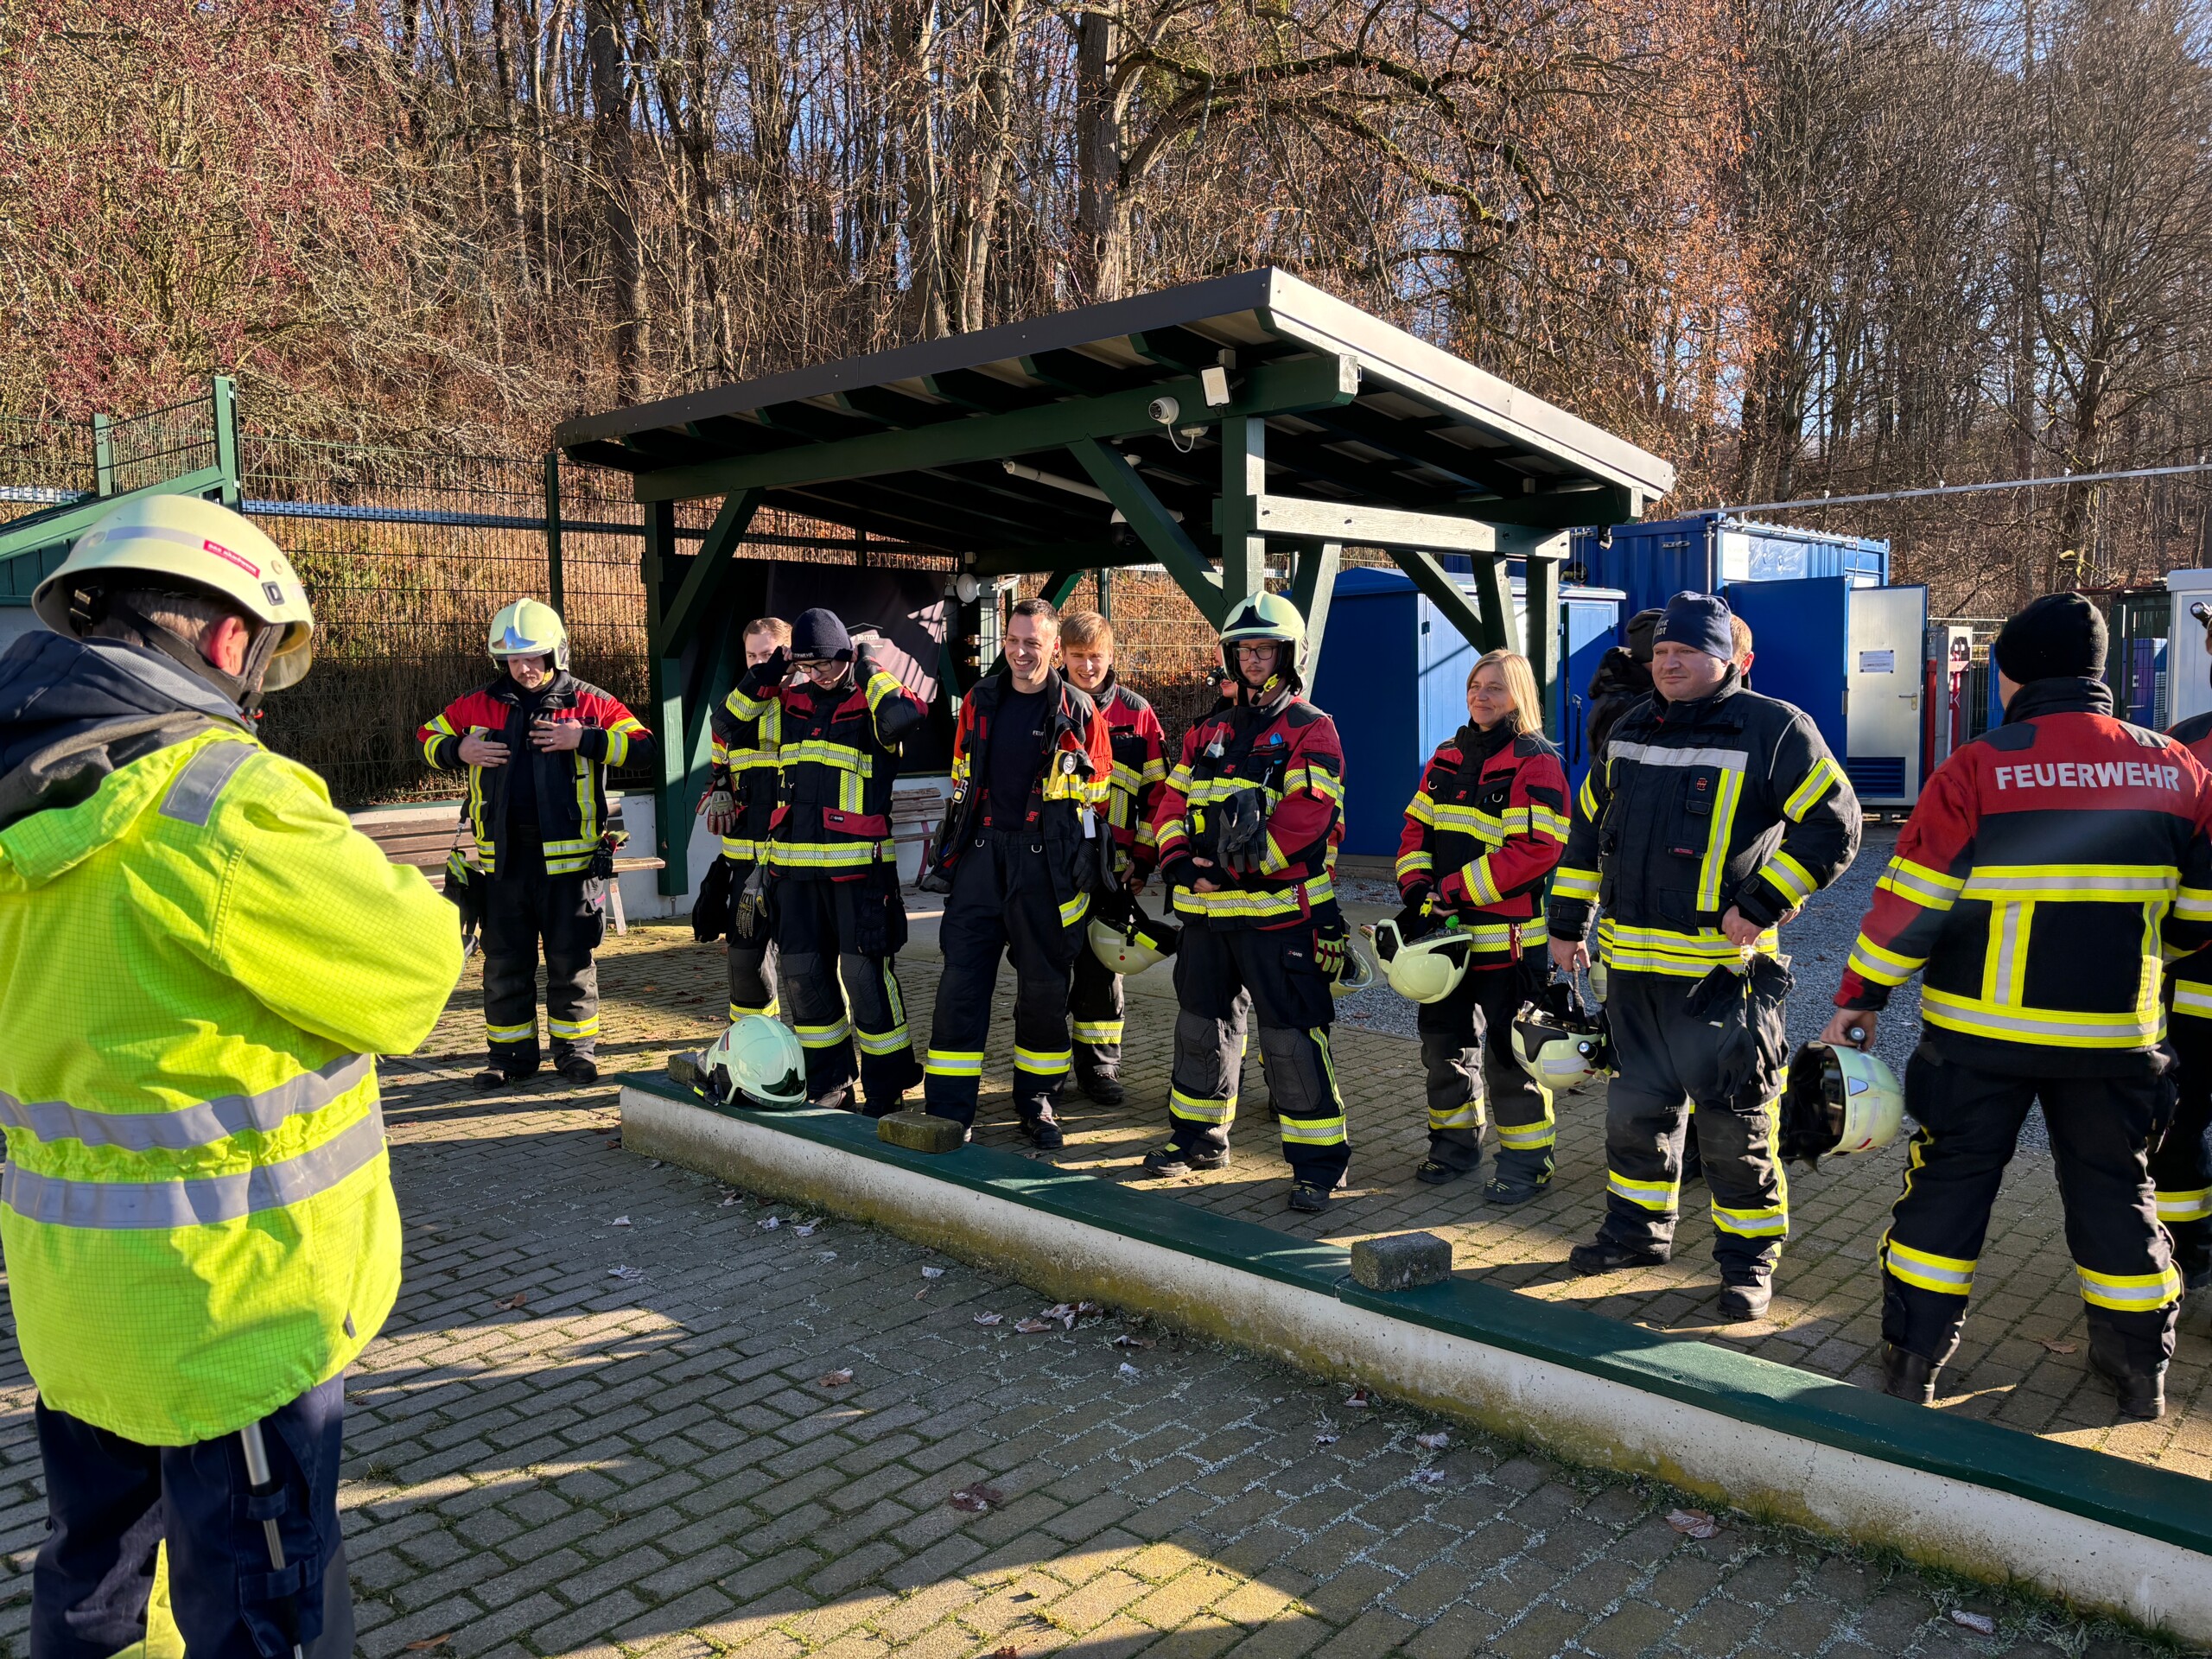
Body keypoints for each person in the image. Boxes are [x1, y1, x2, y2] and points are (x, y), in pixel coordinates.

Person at [1, 494, 462, 1656]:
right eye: (258, 659)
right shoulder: (221, 801)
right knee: (264, 1619)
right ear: (222, 638)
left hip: (76, 1319)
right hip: (238, 1324)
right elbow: (412, 974)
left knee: (92, 1596)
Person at [1824, 594, 2212, 1416]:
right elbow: (2202, 918)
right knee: (2117, 1191)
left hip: (1977, 1039)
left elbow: (1910, 907)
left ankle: (1914, 1361)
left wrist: (1861, 999)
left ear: (2009, 673)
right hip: (2117, 1040)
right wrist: (2147, 957)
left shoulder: (1977, 766)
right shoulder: (2177, 769)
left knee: (1950, 1189)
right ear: (2099, 671)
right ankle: (2139, 1372)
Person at [1549, 589, 1860, 1321]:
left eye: (1685, 652)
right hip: (1633, 975)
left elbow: (1835, 825)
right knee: (1636, 1115)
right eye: (1659, 653)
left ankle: (1747, 1266)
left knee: (1737, 1128)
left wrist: (1760, 904)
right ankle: (1634, 1235)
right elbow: (1587, 836)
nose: (1669, 663)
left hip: (1723, 985)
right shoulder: (1629, 727)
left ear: (1727, 659)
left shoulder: (1774, 729)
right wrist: (1566, 922)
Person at [1147, 592, 1352, 1212]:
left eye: (1264, 649)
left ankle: (1319, 1166)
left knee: (1290, 1041)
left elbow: (1307, 818)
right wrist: (1179, 861)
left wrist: (1235, 870)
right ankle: (1199, 1141)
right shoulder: (1207, 731)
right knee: (1200, 1032)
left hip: (1279, 919)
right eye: (1244, 649)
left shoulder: (1311, 728)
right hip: (1208, 918)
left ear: (1288, 656)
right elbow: (1171, 805)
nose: (1254, 658)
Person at [419, 600, 652, 1089]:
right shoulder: (477, 704)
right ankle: (509, 1059)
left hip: (573, 867)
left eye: (533, 658)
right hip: (503, 864)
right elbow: (425, 736)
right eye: (511, 660)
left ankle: (576, 1054)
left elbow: (645, 746)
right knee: (505, 965)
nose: (522, 668)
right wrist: (456, 748)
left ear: (557, 653)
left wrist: (585, 739)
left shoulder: (591, 703)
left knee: (572, 963)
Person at [921, 599, 1115, 1146]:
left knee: (1045, 991)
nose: (1021, 651)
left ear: (1055, 648)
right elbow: (962, 776)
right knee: (961, 983)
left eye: (1033, 642)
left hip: (1046, 867)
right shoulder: (979, 701)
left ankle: (1037, 1101)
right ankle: (949, 1107)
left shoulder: (1080, 711)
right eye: (1013, 640)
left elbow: (1097, 797)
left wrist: (1083, 861)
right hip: (982, 860)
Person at [724, 607, 926, 1113]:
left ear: (844, 656)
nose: (816, 676)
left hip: (860, 875)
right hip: (792, 873)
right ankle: (829, 1082)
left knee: (865, 979)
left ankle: (888, 1083)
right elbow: (729, 722)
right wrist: (764, 674)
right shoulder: (787, 702)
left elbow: (908, 714)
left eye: (825, 666)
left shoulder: (870, 703)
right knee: (805, 978)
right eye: (807, 667)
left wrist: (867, 669)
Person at [1393, 650, 1568, 1198]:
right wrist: (1417, 889)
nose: (1481, 695)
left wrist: (1450, 890)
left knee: (1510, 1055)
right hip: (1443, 940)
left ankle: (1525, 1162)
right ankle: (1453, 1148)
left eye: (1495, 686)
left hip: (1508, 942)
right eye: (1474, 685)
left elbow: (1538, 850)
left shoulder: (1536, 760)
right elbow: (1414, 833)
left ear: (1520, 695)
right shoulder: (1446, 756)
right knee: (1442, 1046)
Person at [1058, 608, 1169, 1104]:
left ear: (1111, 656)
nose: (1087, 667)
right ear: (1061, 655)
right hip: (1054, 863)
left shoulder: (1138, 713)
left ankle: (1100, 1070)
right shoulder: (1045, 703)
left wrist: (1142, 862)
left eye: (1096, 657)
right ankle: (1046, 1069)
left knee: (1104, 969)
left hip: (1114, 866)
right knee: (1049, 969)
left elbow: (1159, 796)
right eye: (1078, 657)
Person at [702, 616, 791, 1023]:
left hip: (798, 861)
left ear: (788, 653)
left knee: (810, 965)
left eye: (769, 654)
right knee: (744, 960)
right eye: (752, 654)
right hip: (746, 862)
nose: (759, 663)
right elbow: (719, 769)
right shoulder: (732, 708)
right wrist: (717, 786)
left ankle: (820, 1051)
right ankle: (753, 1039)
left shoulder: (805, 703)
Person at [2164, 624, 2212, 1331]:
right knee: (2176, 1127)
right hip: (2187, 994)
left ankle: (2179, 1258)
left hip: (2188, 987)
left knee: (2178, 1122)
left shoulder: (2187, 747)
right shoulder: (2182, 744)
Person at [1583, 606, 1661, 761]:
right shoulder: (1621, 702)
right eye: (1663, 652)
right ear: (1651, 655)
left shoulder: (1643, 688)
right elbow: (1612, 764)